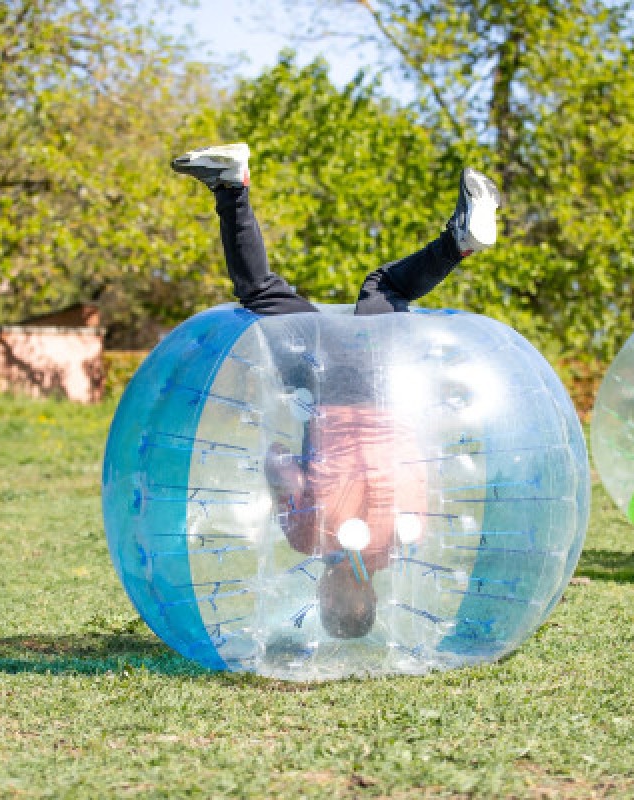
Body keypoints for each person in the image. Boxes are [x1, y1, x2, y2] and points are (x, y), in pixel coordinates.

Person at [171, 142, 501, 639]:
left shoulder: (408, 534)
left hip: (389, 378)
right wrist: (283, 456)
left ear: (370, 596)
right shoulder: (310, 538)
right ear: (332, 597)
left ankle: (459, 244)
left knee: (386, 289)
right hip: (325, 382)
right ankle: (230, 186)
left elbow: (421, 464)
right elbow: (280, 464)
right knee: (260, 292)